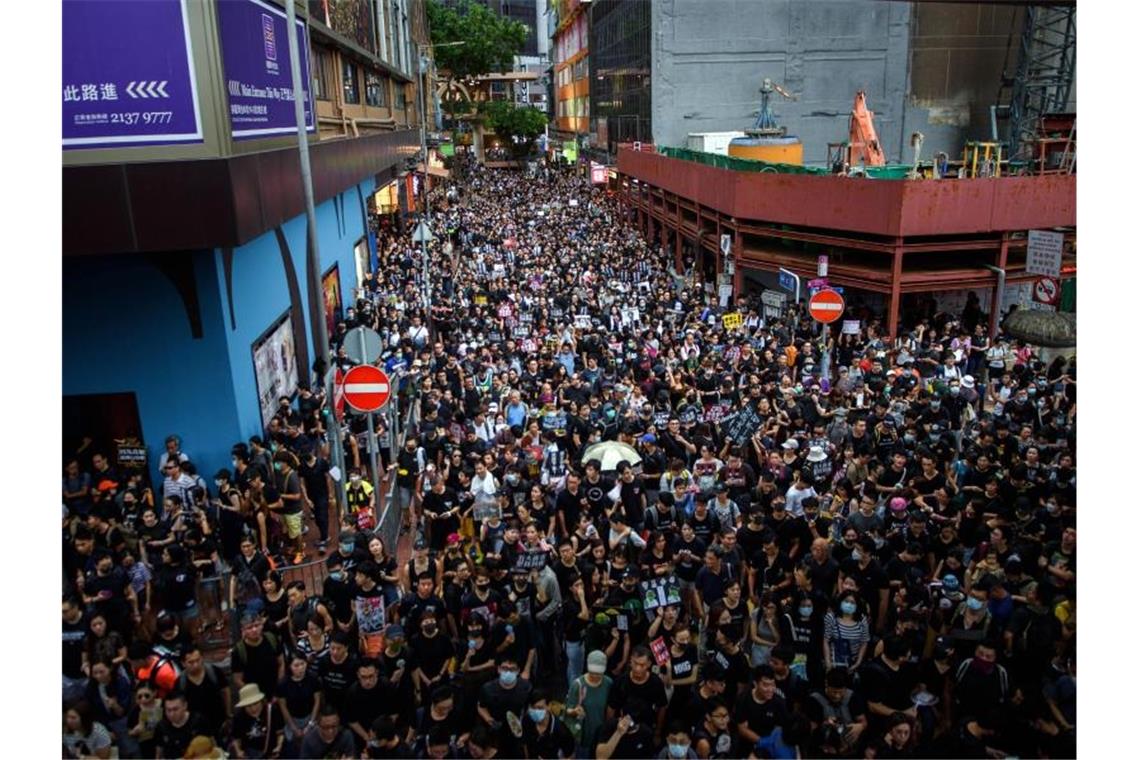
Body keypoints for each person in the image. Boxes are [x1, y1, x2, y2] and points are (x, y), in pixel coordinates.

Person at [229, 683, 285, 759]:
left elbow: (280, 732)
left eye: (256, 704)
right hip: (249, 754)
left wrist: (279, 747)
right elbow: (236, 737)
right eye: (248, 706)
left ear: (261, 701)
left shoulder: (272, 711)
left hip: (270, 754)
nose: (253, 709)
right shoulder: (239, 716)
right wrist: (238, 751)